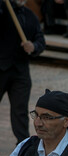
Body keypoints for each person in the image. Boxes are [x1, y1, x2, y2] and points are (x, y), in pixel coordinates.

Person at [1, 0, 45, 144]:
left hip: (21, 71)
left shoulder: (30, 15)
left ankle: (23, 145)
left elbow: (40, 40)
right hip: (0, 67)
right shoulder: (3, 10)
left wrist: (34, 47)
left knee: (20, 111)